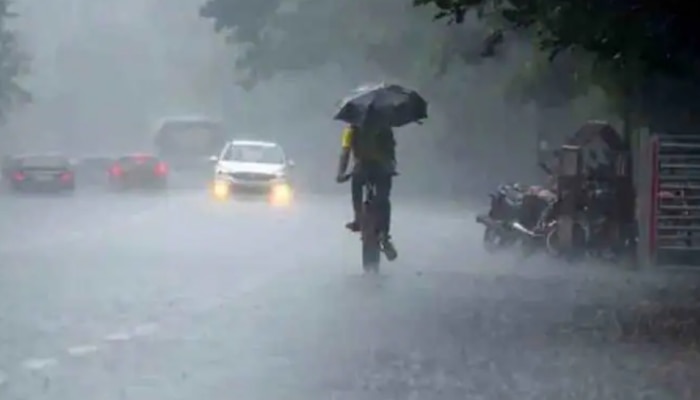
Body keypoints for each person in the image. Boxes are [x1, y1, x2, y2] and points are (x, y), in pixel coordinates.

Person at [336, 122, 398, 260]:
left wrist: (341, 173)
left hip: (362, 169)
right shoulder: (385, 126)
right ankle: (384, 234)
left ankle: (358, 218)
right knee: (383, 198)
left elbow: (345, 152)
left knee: (356, 189)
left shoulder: (351, 129)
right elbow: (391, 152)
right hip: (382, 169)